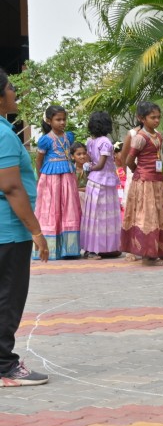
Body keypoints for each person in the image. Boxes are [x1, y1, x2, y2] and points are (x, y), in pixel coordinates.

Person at [0, 70, 50, 387]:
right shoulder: (4, 134)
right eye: (10, 88)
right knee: (9, 297)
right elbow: (11, 187)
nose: (14, 92)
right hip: (9, 231)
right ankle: (4, 364)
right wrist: (36, 232)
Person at [120, 102, 163, 266]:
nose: (157, 120)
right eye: (153, 117)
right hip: (145, 182)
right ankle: (148, 256)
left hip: (158, 181)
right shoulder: (140, 138)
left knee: (162, 214)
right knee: (148, 216)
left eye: (159, 117)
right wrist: (140, 173)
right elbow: (129, 160)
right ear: (141, 118)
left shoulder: (158, 135)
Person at [33, 104, 82, 260]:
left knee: (68, 207)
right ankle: (51, 249)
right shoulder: (45, 140)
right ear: (49, 121)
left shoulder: (69, 136)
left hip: (67, 176)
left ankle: (68, 249)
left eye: (64, 119)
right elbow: (38, 161)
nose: (62, 122)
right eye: (58, 119)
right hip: (51, 178)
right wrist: (40, 179)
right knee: (52, 208)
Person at [79, 111, 123, 259]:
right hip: (104, 182)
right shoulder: (105, 142)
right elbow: (100, 165)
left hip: (93, 182)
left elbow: (91, 160)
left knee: (93, 216)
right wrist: (92, 167)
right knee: (107, 217)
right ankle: (106, 247)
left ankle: (93, 249)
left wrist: (88, 168)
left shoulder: (90, 142)